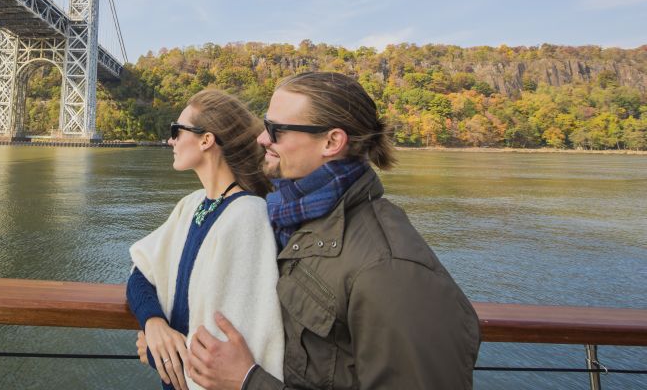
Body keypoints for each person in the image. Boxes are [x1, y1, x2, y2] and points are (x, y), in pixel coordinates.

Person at [186, 72, 481, 390]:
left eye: (276, 130)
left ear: (331, 142)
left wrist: (247, 381)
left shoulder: (390, 269)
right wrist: (159, 325)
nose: (262, 139)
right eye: (264, 124)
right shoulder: (290, 220)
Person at [128, 89, 285, 390]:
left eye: (177, 130)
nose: (171, 140)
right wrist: (154, 324)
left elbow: (227, 358)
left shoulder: (248, 216)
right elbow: (139, 272)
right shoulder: (194, 205)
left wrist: (153, 351)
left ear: (206, 140)